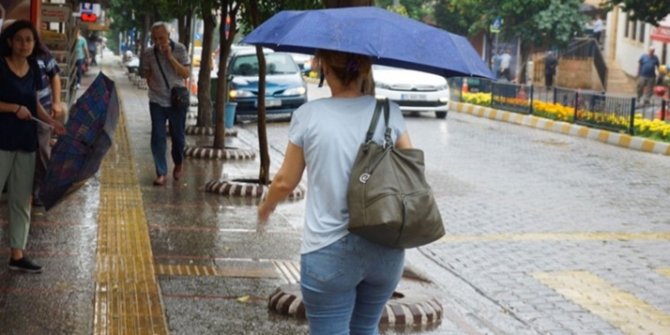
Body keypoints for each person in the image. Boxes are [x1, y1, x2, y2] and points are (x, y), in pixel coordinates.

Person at [257, 49, 409, 334]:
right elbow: (413, 170)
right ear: (364, 69)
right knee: (366, 328)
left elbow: (284, 182)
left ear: (324, 67)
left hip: (328, 251)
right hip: (386, 248)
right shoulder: (390, 112)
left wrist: (266, 207)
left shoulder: (308, 115)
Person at [0, 20, 65, 273]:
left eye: (29, 40)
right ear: (9, 42)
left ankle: (18, 253)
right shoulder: (1, 67)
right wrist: (13, 108)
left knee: (21, 199)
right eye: (19, 40)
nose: (25, 44)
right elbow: (18, 105)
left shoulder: (34, 69)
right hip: (2, 140)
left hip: (26, 142)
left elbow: (34, 102)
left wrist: (51, 122)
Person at [139, 22, 190, 186]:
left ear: (168, 36)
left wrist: (170, 57)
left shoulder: (180, 49)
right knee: (158, 136)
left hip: (177, 101)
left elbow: (186, 74)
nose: (158, 41)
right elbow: (145, 74)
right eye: (154, 38)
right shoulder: (148, 53)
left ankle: (178, 162)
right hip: (157, 100)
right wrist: (150, 79)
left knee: (178, 137)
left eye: (161, 38)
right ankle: (161, 172)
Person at [32, 42, 64, 206]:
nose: (23, 44)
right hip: (15, 115)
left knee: (41, 150)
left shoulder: (42, 54)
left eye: (27, 39)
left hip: (42, 110)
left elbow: (55, 76)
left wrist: (56, 102)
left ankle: (44, 187)